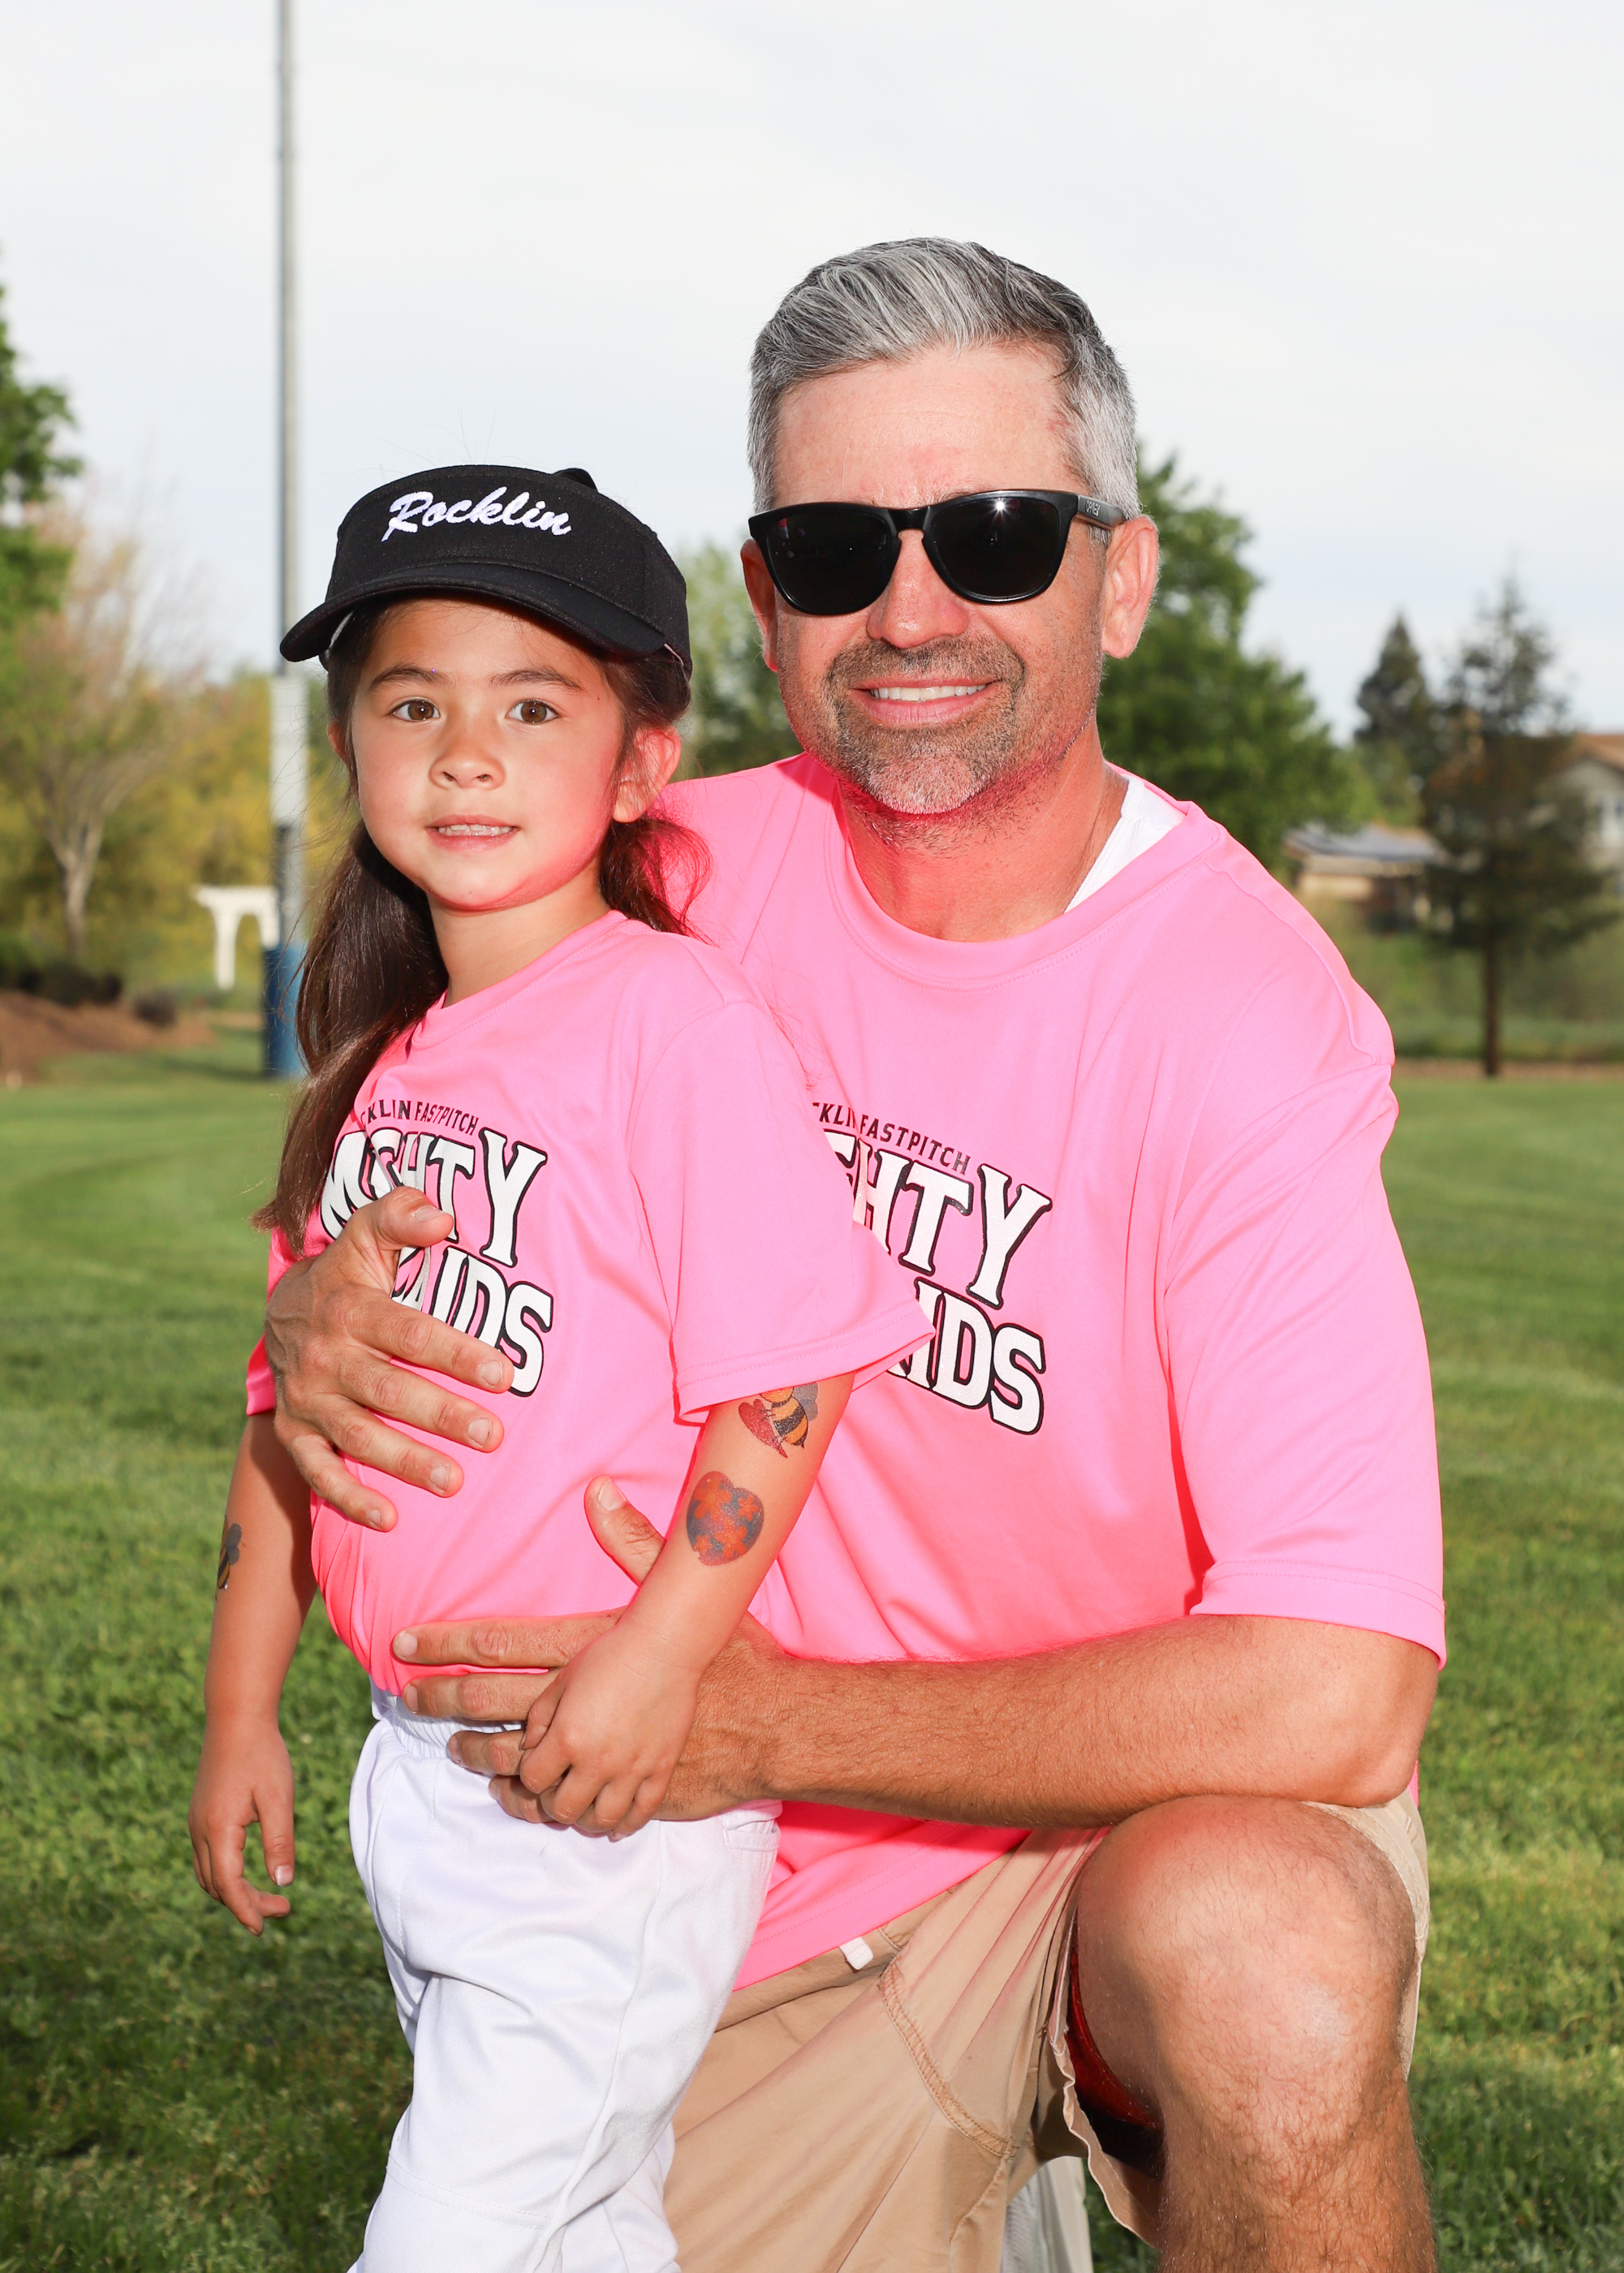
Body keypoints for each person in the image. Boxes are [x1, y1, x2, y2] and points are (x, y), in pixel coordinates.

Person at [261, 246, 1445, 2273]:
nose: (908, 611)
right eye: (832, 547)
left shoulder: (1242, 1010)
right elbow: (399, 1120)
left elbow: (1333, 1687)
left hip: (1105, 1809)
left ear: (1120, 578)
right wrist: (314, 1309)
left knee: (1267, 1949)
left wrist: (768, 1714)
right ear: (761, 599)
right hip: (735, 1891)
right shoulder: (657, 881)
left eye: (992, 535)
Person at [187, 462, 925, 2273]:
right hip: (419, 1777)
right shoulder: (378, 1070)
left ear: (639, 762)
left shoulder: (672, 1024)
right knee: (582, 2231)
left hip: (591, 1801)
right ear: (350, 745)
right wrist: (239, 1708)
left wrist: (660, 1660)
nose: (464, 756)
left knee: (452, 2238)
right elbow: (287, 1428)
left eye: (532, 709)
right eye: (411, 705)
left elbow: (792, 1378)